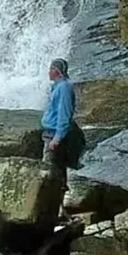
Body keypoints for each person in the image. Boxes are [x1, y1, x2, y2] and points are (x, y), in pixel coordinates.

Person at [40, 58, 78, 193]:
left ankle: (55, 203)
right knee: (56, 169)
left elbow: (64, 114)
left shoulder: (64, 87)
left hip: (54, 134)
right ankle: (58, 205)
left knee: (50, 171)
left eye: (51, 69)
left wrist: (57, 138)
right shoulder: (58, 86)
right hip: (50, 132)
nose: (48, 72)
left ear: (57, 71)